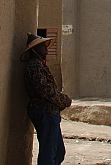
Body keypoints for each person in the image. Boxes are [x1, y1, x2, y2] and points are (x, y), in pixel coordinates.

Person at [21, 32, 72, 165]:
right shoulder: (35, 66)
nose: (46, 48)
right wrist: (63, 100)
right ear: (34, 49)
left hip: (50, 112)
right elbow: (45, 90)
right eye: (42, 46)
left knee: (58, 152)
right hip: (44, 111)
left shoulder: (39, 65)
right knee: (48, 154)